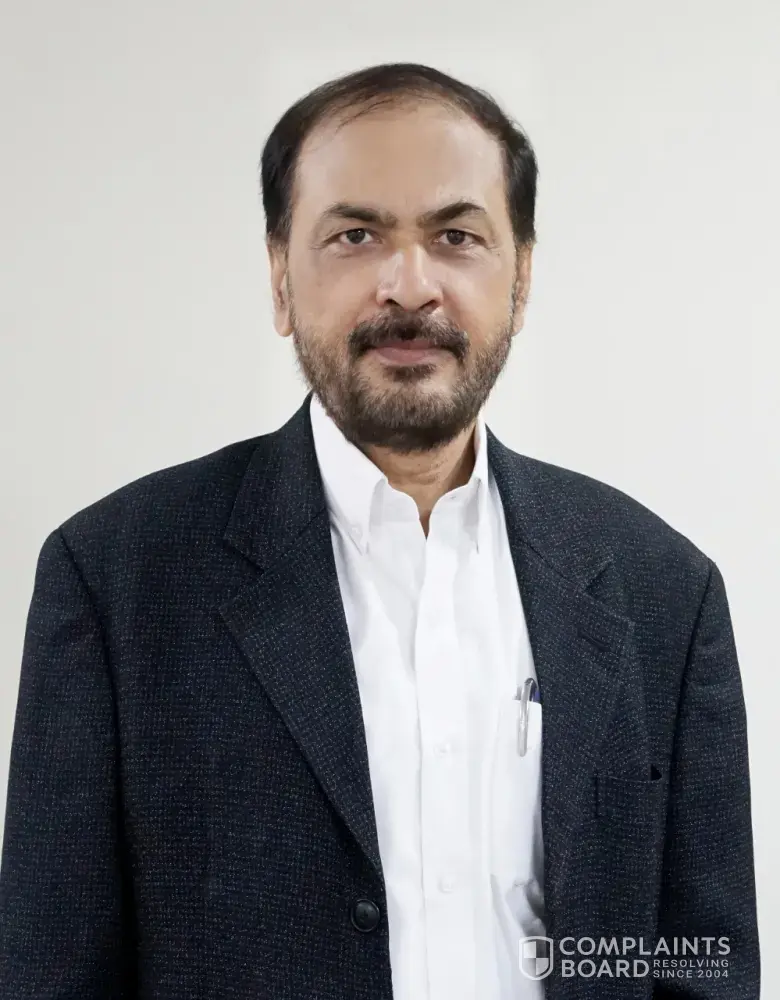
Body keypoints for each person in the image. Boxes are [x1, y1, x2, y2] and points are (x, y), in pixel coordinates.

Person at [0, 62, 759, 1000]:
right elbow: (53, 974)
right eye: (356, 235)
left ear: (522, 279)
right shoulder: (115, 581)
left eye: (456, 237)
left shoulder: (663, 592)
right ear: (280, 279)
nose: (410, 286)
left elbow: (701, 967)